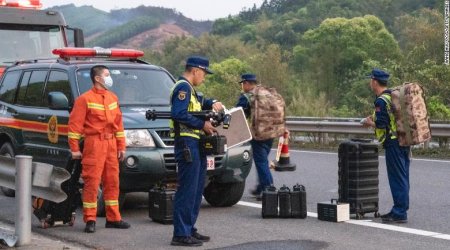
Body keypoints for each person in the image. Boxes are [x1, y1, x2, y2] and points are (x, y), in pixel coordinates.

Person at [68, 65, 130, 233]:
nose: (110, 78)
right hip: (94, 144)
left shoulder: (112, 98)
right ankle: (90, 219)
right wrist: (74, 148)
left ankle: (113, 218)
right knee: (92, 183)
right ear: (97, 78)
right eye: (107, 75)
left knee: (112, 182)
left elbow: (118, 125)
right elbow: (74, 127)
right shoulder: (84, 99)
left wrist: (121, 146)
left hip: (110, 145)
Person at [170, 56, 224, 247]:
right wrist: (202, 124)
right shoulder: (183, 88)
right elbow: (179, 113)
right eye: (204, 74)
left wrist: (213, 102)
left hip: (194, 143)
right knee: (188, 188)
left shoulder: (190, 90)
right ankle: (180, 234)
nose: (204, 78)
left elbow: (200, 102)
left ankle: (189, 229)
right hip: (186, 143)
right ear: (195, 71)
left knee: (196, 188)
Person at [361, 68, 410, 224]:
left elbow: (382, 124)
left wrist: (369, 123)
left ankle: (399, 212)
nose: (370, 82)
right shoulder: (392, 96)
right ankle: (401, 209)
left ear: (375, 82)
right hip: (404, 140)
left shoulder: (381, 100)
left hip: (393, 142)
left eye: (371, 80)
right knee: (403, 177)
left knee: (397, 178)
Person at [235, 73, 274, 200]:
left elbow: (238, 114)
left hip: (259, 134)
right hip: (272, 132)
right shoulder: (267, 93)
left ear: (247, 83)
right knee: (262, 161)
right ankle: (260, 188)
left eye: (242, 83)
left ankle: (268, 189)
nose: (242, 86)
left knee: (261, 162)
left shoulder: (247, 97)